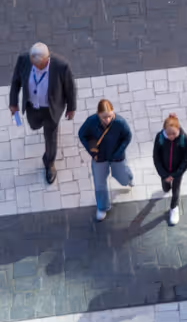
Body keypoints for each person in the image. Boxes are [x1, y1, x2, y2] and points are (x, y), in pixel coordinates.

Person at [9, 42, 76, 185]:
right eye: (33, 63)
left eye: (38, 64)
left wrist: (71, 108)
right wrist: (13, 103)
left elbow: (70, 88)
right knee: (34, 125)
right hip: (33, 107)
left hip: (51, 109)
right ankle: (39, 125)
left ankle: (49, 163)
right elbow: (16, 82)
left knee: (50, 137)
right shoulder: (24, 60)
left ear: (47, 59)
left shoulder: (61, 66)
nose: (35, 66)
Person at [78, 99, 133, 221]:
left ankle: (129, 178)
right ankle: (102, 207)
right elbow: (82, 134)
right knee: (99, 183)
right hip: (100, 158)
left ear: (113, 113)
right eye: (104, 117)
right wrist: (91, 150)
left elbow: (127, 136)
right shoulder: (91, 122)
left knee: (123, 178)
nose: (107, 120)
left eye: (109, 116)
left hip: (116, 157)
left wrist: (119, 152)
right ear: (98, 115)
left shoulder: (120, 122)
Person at [153, 113, 187, 226]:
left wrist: (175, 175)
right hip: (164, 171)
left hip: (177, 171)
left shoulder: (184, 138)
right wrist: (164, 175)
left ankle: (174, 207)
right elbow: (156, 157)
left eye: (173, 133)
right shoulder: (160, 138)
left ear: (178, 129)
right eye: (168, 134)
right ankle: (166, 187)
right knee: (166, 188)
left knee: (176, 190)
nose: (171, 137)